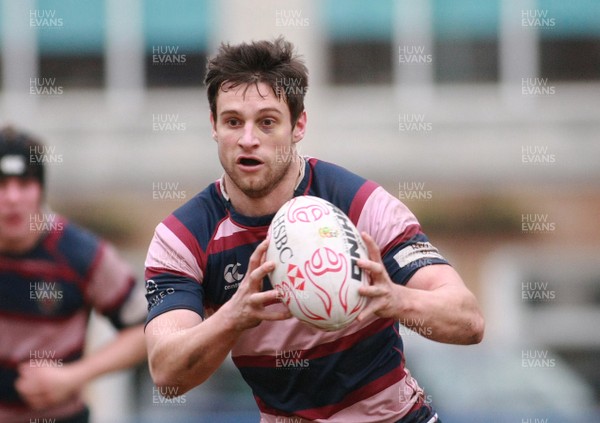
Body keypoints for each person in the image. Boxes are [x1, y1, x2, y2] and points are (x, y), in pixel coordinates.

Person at [144, 37, 484, 423]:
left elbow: (468, 321)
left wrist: (395, 300)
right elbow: (166, 374)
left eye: (267, 121)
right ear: (214, 126)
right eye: (233, 121)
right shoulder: (183, 238)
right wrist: (232, 317)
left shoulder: (359, 204)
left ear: (299, 124)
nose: (248, 139)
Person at [0, 126, 148, 423]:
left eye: (24, 183)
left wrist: (73, 376)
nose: (12, 197)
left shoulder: (81, 254)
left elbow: (147, 329)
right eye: (1, 184)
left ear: (40, 190)